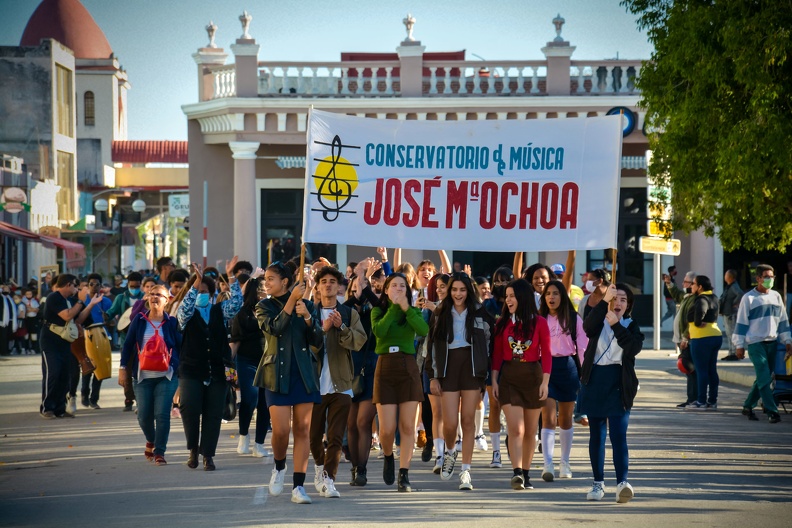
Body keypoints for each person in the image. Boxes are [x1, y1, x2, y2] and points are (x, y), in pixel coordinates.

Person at [255, 261, 323, 504]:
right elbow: (275, 329)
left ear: (285, 281)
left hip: (303, 374)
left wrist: (307, 318)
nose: (267, 283)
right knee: (282, 431)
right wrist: (291, 301)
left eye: (271, 279)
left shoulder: (307, 305)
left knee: (303, 430)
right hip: (276, 375)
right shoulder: (263, 306)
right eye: (266, 279)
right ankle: (279, 466)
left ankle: (298, 486)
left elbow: (317, 340)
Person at [428, 272, 494, 491]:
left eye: (462, 290)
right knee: (449, 423)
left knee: (468, 420)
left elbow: (487, 342)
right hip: (448, 369)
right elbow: (432, 347)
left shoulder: (480, 312)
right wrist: (433, 376)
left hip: (472, 369)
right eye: (454, 289)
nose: (458, 294)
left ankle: (466, 470)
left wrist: (485, 374)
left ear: (469, 290)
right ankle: (449, 452)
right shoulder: (439, 312)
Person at [579, 283, 643, 504]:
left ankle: (622, 483)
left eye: (623, 300)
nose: (618, 303)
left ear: (628, 305)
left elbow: (633, 348)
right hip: (595, 379)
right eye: (615, 298)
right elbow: (587, 327)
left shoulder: (631, 325)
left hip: (619, 383)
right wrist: (604, 301)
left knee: (618, 435)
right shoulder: (599, 319)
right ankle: (598, 483)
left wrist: (617, 326)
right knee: (596, 435)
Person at [177, 258, 242, 471]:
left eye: (205, 291)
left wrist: (231, 275)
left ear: (212, 294)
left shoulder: (219, 311)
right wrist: (195, 282)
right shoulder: (187, 313)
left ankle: (208, 454)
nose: (201, 294)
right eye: (198, 290)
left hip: (217, 369)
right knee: (189, 407)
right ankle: (193, 449)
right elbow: (184, 310)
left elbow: (237, 303)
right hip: (191, 369)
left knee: (213, 412)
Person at [309, 266, 367, 499]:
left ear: (339, 286)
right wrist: (322, 330)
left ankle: (329, 479)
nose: (329, 285)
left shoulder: (348, 312)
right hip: (313, 384)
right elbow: (306, 345)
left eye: (333, 281)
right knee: (313, 436)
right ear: (318, 286)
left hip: (342, 383)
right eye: (324, 281)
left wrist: (341, 327)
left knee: (334, 436)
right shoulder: (310, 312)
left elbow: (359, 341)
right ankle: (318, 467)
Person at [491, 279, 551, 491]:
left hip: (533, 376)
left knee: (530, 431)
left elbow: (547, 354)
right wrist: (494, 380)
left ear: (522, 297)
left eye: (512, 296)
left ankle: (526, 472)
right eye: (506, 296)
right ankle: (516, 472)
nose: (508, 300)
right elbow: (497, 355)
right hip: (509, 377)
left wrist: (545, 381)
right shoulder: (502, 323)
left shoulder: (541, 322)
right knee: (516, 428)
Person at [371, 272, 429, 492]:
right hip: (385, 366)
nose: (397, 289)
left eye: (402, 286)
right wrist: (395, 308)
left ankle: (404, 473)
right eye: (393, 285)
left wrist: (406, 308)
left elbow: (423, 330)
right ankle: (388, 455)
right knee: (386, 429)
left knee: (407, 426)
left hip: (407, 366)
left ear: (408, 290)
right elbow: (380, 331)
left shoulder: (413, 311)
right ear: (386, 290)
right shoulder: (378, 311)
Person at [119, 284, 181, 465]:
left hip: (167, 377)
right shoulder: (139, 320)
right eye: (152, 294)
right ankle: (151, 440)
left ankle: (160, 451)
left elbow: (180, 346)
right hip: (142, 376)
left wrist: (176, 366)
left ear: (167, 300)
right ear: (147, 297)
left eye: (159, 295)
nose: (155, 297)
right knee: (144, 415)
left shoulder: (172, 322)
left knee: (162, 415)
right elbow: (128, 345)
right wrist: (123, 369)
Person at [538, 280, 588, 481]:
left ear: (562, 296)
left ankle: (565, 462)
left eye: (556, 293)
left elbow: (583, 346)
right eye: (548, 293)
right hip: (544, 370)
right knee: (548, 417)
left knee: (565, 419)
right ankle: (547, 463)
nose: (551, 297)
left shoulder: (573, 318)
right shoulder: (538, 319)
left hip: (568, 368)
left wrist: (586, 372)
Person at [734, 264, 792, 424]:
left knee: (764, 377)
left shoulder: (776, 296)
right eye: (766, 277)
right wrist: (739, 345)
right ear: (758, 278)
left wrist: (787, 340)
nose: (770, 280)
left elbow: (783, 321)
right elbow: (741, 323)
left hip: (772, 343)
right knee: (764, 376)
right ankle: (772, 411)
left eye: (772, 277)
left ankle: (748, 405)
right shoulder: (749, 298)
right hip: (755, 343)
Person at [39, 275, 101, 418]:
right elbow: (67, 316)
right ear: (67, 285)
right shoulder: (54, 298)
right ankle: (47, 407)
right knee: (52, 373)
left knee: (64, 375)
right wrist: (80, 300)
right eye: (75, 286)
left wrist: (90, 304)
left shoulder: (71, 301)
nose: (76, 289)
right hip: (51, 341)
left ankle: (60, 408)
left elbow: (78, 319)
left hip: (65, 341)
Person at [345, 260, 384, 486]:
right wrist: (357, 289)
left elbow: (379, 304)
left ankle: (362, 469)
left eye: (360, 288)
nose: (357, 291)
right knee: (350, 424)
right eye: (353, 289)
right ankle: (354, 467)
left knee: (363, 421)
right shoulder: (347, 309)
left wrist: (364, 282)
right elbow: (344, 308)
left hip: (372, 366)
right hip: (350, 368)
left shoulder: (376, 310)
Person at [230, 276, 272, 459]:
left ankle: (259, 444)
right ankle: (244, 435)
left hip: (268, 361)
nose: (265, 291)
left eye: (267, 287)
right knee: (250, 399)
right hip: (246, 360)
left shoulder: (273, 310)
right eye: (261, 287)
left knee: (266, 403)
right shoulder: (243, 313)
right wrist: (227, 364)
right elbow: (235, 341)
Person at [419, 273, 450, 473]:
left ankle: (450, 451)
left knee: (450, 413)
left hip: (452, 366)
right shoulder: (428, 309)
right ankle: (439, 456)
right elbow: (422, 332)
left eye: (443, 286)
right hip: (431, 364)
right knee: (436, 411)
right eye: (437, 286)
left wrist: (437, 310)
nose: (439, 289)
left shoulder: (457, 310)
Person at [483, 266, 513, 468]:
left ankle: (512, 445)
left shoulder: (516, 304)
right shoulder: (488, 305)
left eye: (505, 281)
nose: (501, 285)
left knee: (512, 407)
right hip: (491, 361)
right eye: (497, 281)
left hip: (514, 362)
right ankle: (496, 452)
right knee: (494, 405)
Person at [685, 275, 722, 410]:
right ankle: (712, 401)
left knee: (701, 371)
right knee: (712, 370)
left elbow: (700, 312)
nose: (691, 286)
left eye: (693, 284)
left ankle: (701, 401)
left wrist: (698, 322)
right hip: (715, 335)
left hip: (701, 337)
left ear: (700, 287)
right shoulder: (714, 297)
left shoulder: (701, 299)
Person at [79, 273, 112, 409]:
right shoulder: (82, 300)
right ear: (87, 286)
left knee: (100, 368)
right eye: (91, 284)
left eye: (97, 284)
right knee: (88, 367)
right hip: (86, 335)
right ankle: (84, 394)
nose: (94, 287)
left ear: (101, 286)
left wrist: (108, 319)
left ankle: (94, 399)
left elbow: (112, 321)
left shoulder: (106, 302)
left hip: (102, 335)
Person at [669, 272, 699, 407]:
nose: (683, 284)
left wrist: (686, 337)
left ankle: (694, 399)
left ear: (694, 284)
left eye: (686, 282)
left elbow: (691, 321)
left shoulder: (695, 299)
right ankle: (691, 398)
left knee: (691, 370)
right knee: (688, 370)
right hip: (682, 339)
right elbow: (677, 294)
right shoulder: (687, 297)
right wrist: (669, 284)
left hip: (687, 340)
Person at [719, 269, 744, 361]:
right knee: (729, 333)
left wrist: (734, 303)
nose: (724, 276)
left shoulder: (734, 286)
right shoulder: (730, 286)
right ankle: (731, 352)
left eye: (726, 275)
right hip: (727, 312)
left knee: (732, 333)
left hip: (731, 313)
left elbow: (740, 294)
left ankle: (733, 352)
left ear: (730, 277)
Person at [21, 288, 41, 355]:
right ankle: (26, 348)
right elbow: (25, 310)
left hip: (33, 319)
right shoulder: (23, 301)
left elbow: (37, 310)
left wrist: (30, 308)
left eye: (30, 294)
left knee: (33, 335)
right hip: (26, 319)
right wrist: (32, 309)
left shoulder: (34, 301)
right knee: (26, 334)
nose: (29, 295)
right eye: (27, 294)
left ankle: (33, 348)